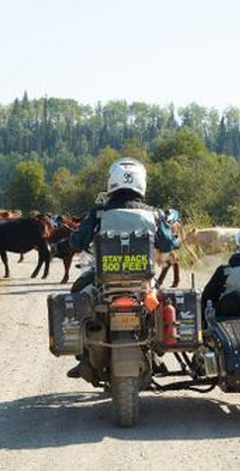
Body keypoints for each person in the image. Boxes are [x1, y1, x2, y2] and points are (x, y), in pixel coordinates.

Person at [61, 157, 179, 379]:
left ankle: (84, 356)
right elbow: (167, 243)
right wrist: (174, 240)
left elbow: (77, 243)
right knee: (164, 302)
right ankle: (157, 355)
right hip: (143, 283)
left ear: (112, 181)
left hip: (103, 281)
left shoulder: (98, 213)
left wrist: (71, 240)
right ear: (141, 182)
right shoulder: (154, 213)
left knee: (77, 293)